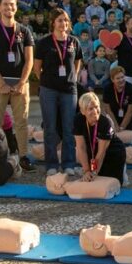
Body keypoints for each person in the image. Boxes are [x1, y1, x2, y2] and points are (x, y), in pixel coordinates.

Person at [0, 0, 34, 172]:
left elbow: (29, 60)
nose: (8, 8)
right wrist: (1, 82)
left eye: (12, 5)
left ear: (16, 8)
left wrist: (22, 82)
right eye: (5, 4)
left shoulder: (24, 30)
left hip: (20, 83)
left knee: (21, 121)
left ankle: (23, 156)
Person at [34, 9, 82, 174]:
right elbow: (37, 68)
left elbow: (77, 62)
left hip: (69, 90)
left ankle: (69, 164)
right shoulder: (44, 42)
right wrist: (46, 81)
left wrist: (73, 77)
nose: (64, 23)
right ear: (53, 22)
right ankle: (52, 165)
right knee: (50, 128)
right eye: (60, 20)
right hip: (49, 89)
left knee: (69, 128)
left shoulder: (74, 42)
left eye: (66, 20)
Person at [74, 90, 127, 183]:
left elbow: (102, 152)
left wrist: (94, 173)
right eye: (90, 108)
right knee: (90, 178)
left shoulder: (106, 122)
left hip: (113, 152)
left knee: (111, 182)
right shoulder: (78, 120)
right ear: (83, 111)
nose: (95, 111)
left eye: (96, 107)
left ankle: (122, 171)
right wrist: (86, 171)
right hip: (93, 150)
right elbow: (81, 147)